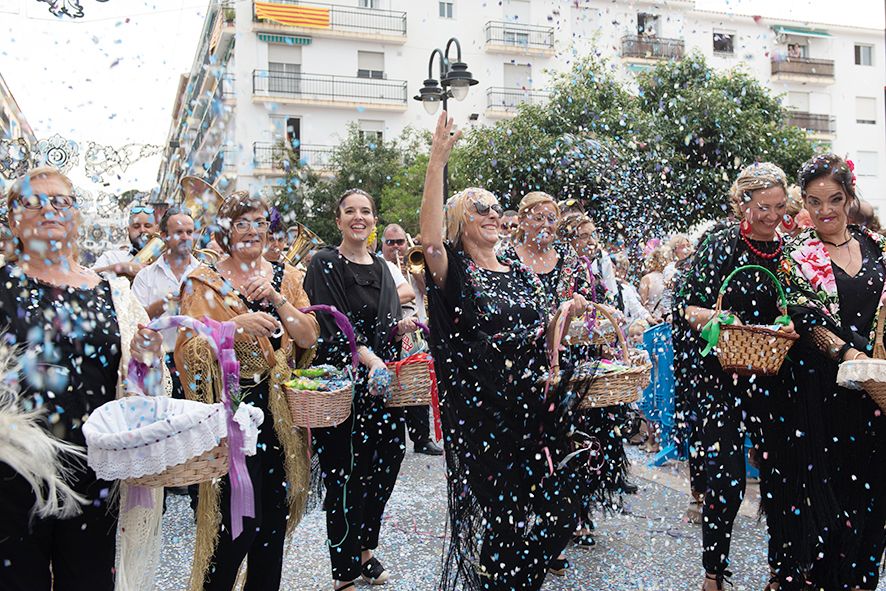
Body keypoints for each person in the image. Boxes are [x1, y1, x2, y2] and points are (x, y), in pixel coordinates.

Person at [421, 112, 589, 591]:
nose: (494, 214)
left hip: (531, 409)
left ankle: (506, 577)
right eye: (480, 209)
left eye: (497, 207)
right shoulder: (454, 271)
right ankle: (502, 582)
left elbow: (540, 333)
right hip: (482, 416)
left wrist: (565, 316)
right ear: (460, 222)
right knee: (508, 514)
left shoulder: (517, 269)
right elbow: (429, 241)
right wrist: (438, 161)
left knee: (559, 504)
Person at [0, 166, 168, 591]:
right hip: (12, 476)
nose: (49, 210)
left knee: (89, 582)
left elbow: (140, 392)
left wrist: (146, 362)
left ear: (76, 216)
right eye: (32, 201)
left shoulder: (110, 292)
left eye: (61, 201)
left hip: (94, 469)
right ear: (13, 219)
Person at [678, 162, 815, 590]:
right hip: (721, 377)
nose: (773, 216)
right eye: (763, 208)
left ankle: (782, 569)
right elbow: (686, 307)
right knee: (726, 480)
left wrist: (793, 325)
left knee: (781, 478)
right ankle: (714, 572)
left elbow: (803, 311)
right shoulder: (720, 246)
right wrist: (719, 320)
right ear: (743, 203)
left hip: (776, 376)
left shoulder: (791, 253)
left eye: (780, 207)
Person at [175, 191, 320, 591]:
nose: (252, 232)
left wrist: (275, 298)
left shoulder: (288, 277)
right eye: (242, 223)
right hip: (230, 411)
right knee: (236, 525)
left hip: (279, 412)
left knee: (274, 520)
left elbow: (309, 335)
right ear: (225, 231)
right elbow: (186, 352)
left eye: (259, 223)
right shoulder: (203, 281)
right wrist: (233, 327)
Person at [304, 189, 418, 591]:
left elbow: (383, 324)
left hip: (383, 391)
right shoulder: (324, 263)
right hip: (344, 390)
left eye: (366, 211)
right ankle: (344, 571)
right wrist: (369, 361)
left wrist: (401, 329)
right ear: (338, 221)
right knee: (346, 478)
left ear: (373, 219)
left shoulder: (385, 268)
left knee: (386, 465)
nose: (359, 217)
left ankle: (366, 548)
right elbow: (333, 330)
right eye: (350, 211)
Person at [782, 153, 886, 590]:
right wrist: (845, 353)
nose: (825, 211)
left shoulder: (877, 247)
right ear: (804, 202)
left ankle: (862, 581)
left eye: (835, 199)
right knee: (829, 505)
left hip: (877, 393)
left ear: (849, 198)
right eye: (815, 201)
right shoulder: (795, 255)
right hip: (822, 395)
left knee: (875, 499)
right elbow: (803, 320)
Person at [380, 223, 442, 456]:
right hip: (392, 330)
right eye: (390, 243)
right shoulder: (381, 266)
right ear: (382, 245)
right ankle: (391, 436)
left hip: (417, 329)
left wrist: (418, 276)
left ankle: (421, 437)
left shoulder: (417, 263)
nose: (396, 247)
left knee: (417, 383)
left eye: (399, 242)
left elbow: (431, 296)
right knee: (393, 382)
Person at [132, 206, 200, 400]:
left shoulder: (205, 273)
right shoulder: (145, 276)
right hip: (161, 362)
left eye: (189, 232)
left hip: (199, 360)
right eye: (178, 232)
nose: (186, 237)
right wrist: (164, 304)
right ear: (163, 236)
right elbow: (135, 321)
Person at [92, 202, 156, 279]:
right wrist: (121, 268)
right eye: (136, 226)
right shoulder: (110, 257)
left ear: (156, 229)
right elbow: (89, 275)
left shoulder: (166, 259)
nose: (142, 230)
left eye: (147, 226)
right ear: (128, 230)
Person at [639, 246, 670, 321]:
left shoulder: (647, 279)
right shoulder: (668, 278)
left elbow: (643, 303)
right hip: (666, 318)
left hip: (652, 318)